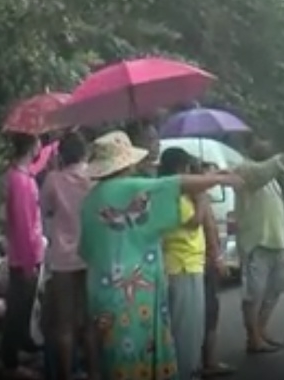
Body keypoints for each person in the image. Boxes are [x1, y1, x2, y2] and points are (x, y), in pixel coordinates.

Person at [79, 132, 242, 380]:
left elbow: (86, 250)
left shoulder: (89, 200)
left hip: (102, 289)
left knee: (114, 352)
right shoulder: (130, 187)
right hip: (134, 291)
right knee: (138, 347)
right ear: (126, 163)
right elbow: (172, 184)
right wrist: (218, 179)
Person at [231, 140, 284, 354]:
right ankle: (253, 338)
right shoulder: (246, 171)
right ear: (252, 152)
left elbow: (273, 170)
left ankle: (261, 330)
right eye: (261, 147)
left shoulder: (271, 180)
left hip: (275, 244)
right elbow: (268, 168)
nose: (266, 150)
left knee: (274, 291)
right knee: (254, 294)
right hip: (256, 245)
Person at [41, 135, 98, 380]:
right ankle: (95, 372)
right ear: (84, 154)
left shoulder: (53, 180)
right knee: (90, 321)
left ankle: (66, 374)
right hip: (90, 255)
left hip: (62, 258)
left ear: (61, 155)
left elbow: (45, 210)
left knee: (64, 324)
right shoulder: (94, 178)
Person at [2, 132, 58, 380]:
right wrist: (28, 265)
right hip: (25, 257)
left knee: (21, 309)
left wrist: (54, 146)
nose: (40, 145)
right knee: (18, 311)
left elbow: (37, 165)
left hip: (22, 253)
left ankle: (16, 355)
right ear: (31, 145)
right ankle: (11, 365)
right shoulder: (23, 183)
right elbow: (25, 226)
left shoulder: (17, 174)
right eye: (39, 142)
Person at [157, 147, 208, 380]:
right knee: (184, 330)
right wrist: (202, 195)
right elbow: (194, 222)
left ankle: (188, 369)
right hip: (180, 264)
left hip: (191, 263)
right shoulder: (172, 193)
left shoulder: (180, 192)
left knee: (194, 328)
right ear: (180, 168)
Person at [198, 162, 234, 378]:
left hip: (190, 263)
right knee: (210, 312)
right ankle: (209, 361)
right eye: (210, 174)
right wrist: (219, 259)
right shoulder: (201, 198)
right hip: (202, 262)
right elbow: (208, 229)